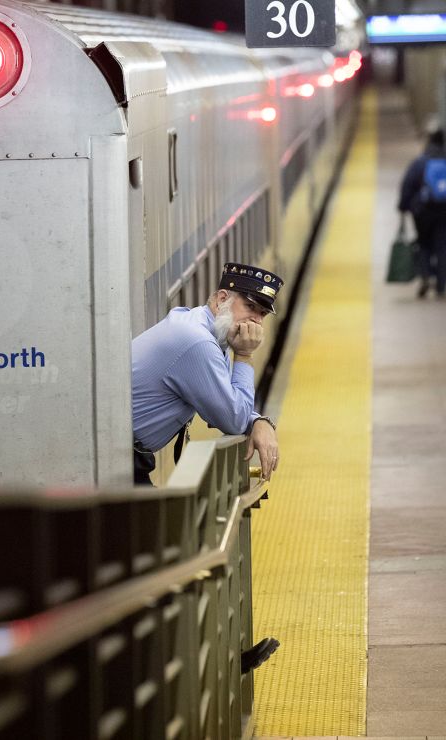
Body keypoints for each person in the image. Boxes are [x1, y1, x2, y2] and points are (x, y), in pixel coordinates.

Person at [131, 261, 284, 673]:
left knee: (166, 561)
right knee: (168, 562)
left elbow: (228, 412)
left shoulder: (195, 328)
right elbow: (232, 418)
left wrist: (257, 419)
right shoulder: (196, 343)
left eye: (261, 315)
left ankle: (204, 661)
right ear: (221, 298)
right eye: (248, 308)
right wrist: (246, 358)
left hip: (127, 461)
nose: (253, 321)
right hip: (117, 464)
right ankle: (199, 667)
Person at [398, 128, 446, 299]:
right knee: (443, 247)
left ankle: (425, 276)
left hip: (423, 212)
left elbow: (408, 185)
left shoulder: (419, 163)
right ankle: (441, 285)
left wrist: (403, 207)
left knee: (424, 244)